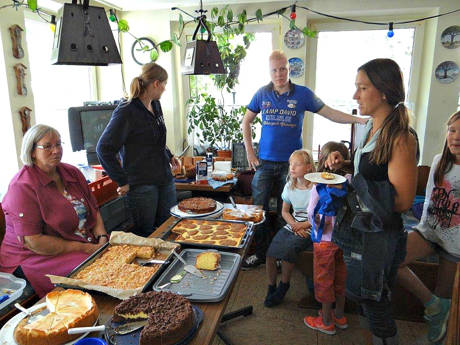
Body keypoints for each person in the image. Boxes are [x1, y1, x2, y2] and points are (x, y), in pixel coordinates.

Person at [242, 49, 367, 268]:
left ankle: (283, 255)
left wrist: (358, 120)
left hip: (293, 167)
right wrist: (250, 153)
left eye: (283, 69)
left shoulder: (303, 94)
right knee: (258, 211)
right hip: (264, 164)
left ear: (289, 69)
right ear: (269, 72)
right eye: (274, 70)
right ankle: (262, 253)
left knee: (287, 210)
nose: (279, 74)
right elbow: (246, 122)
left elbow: (329, 112)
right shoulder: (262, 94)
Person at [325, 58, 418, 345]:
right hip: (364, 231)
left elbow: (402, 201)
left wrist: (356, 182)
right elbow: (372, 171)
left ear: (385, 92)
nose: (356, 95)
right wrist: (346, 166)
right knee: (366, 299)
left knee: (375, 303)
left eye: (362, 88)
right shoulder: (370, 127)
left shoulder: (401, 137)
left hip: (381, 235)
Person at [0, 124, 108, 298]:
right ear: (32, 151)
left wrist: (102, 237)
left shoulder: (71, 172)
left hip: (80, 242)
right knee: (93, 271)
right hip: (35, 255)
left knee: (115, 258)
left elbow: (93, 209)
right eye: (48, 146)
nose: (56, 150)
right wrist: (85, 248)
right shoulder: (22, 186)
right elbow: (35, 242)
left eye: (58, 144)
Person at [397, 110, 460, 343]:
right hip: (429, 231)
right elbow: (430, 199)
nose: (456, 137)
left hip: (455, 244)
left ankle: (437, 331)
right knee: (393, 259)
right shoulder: (438, 162)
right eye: (452, 130)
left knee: (445, 299)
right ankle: (431, 304)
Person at [97, 63, 180, 236]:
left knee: (170, 228)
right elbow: (103, 149)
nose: (165, 89)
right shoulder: (126, 111)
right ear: (156, 84)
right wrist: (122, 181)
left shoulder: (155, 105)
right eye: (164, 84)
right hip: (141, 185)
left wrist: (169, 155)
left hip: (164, 179)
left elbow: (153, 140)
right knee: (146, 235)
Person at [304, 142, 350, 335]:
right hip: (345, 240)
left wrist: (316, 220)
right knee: (340, 278)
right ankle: (339, 315)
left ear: (322, 162)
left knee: (324, 280)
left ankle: (325, 320)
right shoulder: (350, 182)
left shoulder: (318, 187)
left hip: (324, 241)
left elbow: (310, 214)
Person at [264, 149, 314, 307]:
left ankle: (284, 285)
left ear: (308, 167)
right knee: (270, 254)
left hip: (310, 226)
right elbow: (285, 212)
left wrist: (302, 225)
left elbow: (320, 216)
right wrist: (293, 225)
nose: (292, 167)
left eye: (297, 164)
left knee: (288, 252)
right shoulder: (289, 186)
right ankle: (271, 286)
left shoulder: (316, 188)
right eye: (291, 164)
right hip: (293, 224)